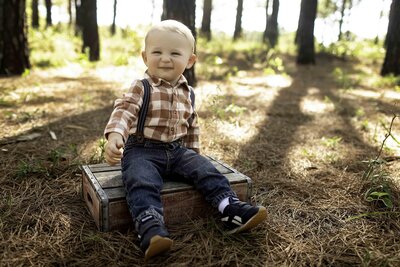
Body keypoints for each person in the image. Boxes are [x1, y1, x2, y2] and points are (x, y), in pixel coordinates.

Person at [104, 19, 267, 260]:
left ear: (190, 60)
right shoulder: (142, 87)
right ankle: (150, 226)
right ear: (145, 56)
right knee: (141, 180)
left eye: (174, 53)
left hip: (177, 150)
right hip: (142, 150)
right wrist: (116, 134)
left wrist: (194, 155)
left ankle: (229, 208)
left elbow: (191, 125)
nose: (165, 59)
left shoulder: (188, 92)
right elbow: (125, 109)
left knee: (207, 171)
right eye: (157, 52)